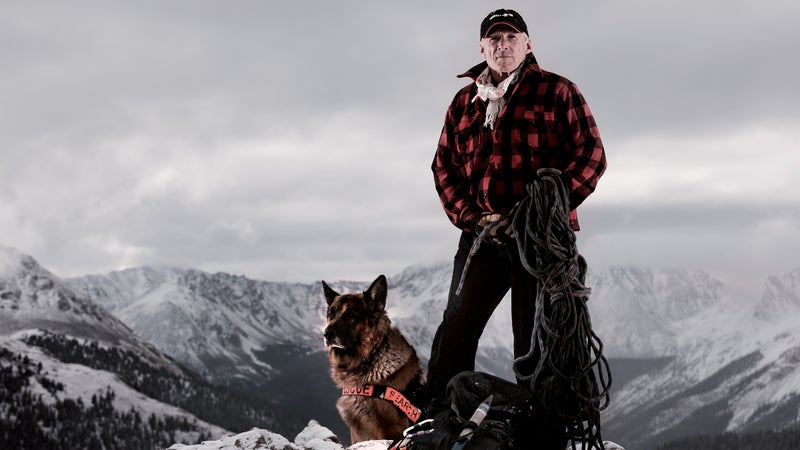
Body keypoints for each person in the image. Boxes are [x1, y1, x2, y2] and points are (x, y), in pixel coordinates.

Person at [426, 8, 607, 448]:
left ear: (528, 44)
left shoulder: (557, 91)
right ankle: (438, 422)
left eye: (512, 37)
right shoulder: (464, 103)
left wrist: (546, 208)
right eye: (494, 39)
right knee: (457, 327)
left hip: (540, 240)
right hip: (483, 234)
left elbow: (592, 155)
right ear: (481, 48)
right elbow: (443, 166)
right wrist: (471, 217)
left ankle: (540, 432)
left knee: (536, 339)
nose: (502, 45)